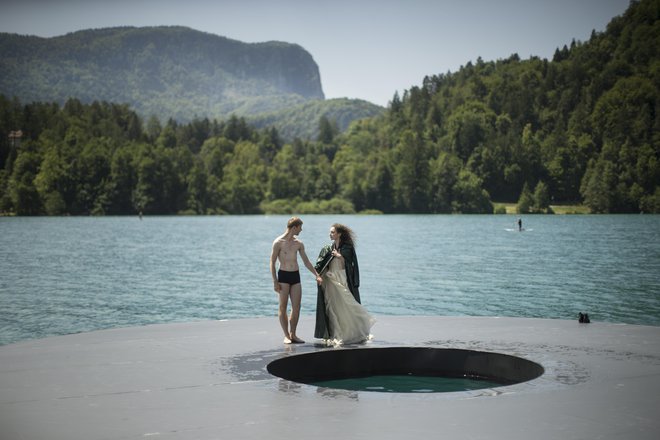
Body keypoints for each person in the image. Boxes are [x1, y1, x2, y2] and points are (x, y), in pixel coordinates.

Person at [314, 223, 375, 345]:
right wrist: (319, 275)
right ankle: (336, 332)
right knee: (332, 306)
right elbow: (320, 264)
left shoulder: (347, 247)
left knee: (347, 303)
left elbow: (349, 264)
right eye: (330, 232)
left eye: (332, 232)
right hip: (330, 279)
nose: (330, 234)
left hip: (342, 278)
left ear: (339, 234)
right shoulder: (328, 248)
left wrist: (339, 256)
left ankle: (358, 328)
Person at [270, 217, 322, 344]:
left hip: (295, 276)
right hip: (283, 276)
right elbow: (272, 262)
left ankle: (293, 334)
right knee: (282, 306)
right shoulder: (278, 242)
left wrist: (317, 274)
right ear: (294, 227)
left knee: (296, 307)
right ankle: (286, 335)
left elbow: (306, 262)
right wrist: (275, 281)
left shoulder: (299, 243)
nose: (301, 230)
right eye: (300, 227)